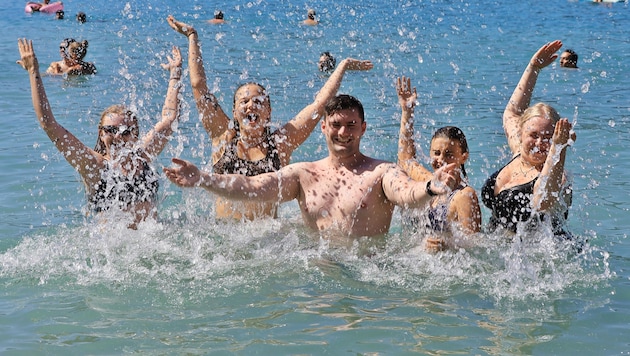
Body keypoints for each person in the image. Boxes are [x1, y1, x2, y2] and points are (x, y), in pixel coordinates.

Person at [164, 94, 458, 245]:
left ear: (363, 129)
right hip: (319, 272)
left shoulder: (382, 171)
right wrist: (203, 178)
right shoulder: (303, 174)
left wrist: (431, 186)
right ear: (324, 127)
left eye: (351, 125)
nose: (344, 132)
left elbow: (407, 193)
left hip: (370, 273)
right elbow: (253, 188)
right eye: (337, 125)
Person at [167, 15, 374, 221]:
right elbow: (198, 86)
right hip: (225, 237)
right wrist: (193, 36)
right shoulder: (223, 136)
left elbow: (318, 106)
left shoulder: (280, 144)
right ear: (234, 112)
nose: (251, 105)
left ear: (269, 112)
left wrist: (342, 67)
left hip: (267, 242)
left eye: (259, 102)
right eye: (244, 101)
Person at [17, 38, 183, 229]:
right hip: (112, 251)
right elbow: (48, 124)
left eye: (125, 131)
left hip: (152, 244)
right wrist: (33, 72)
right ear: (101, 133)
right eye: (111, 130)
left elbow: (169, 118)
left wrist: (175, 74)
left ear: (135, 134)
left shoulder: (143, 156)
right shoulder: (95, 166)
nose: (118, 136)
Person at [481, 40, 577, 238]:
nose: (539, 143)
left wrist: (559, 148)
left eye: (548, 138)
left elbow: (543, 201)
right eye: (533, 135)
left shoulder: (558, 175)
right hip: (498, 247)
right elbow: (512, 111)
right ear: (521, 133)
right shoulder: (519, 150)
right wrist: (533, 68)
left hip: (538, 259)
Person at [396, 76, 481, 252]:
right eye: (436, 153)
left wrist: (448, 245)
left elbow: (476, 246)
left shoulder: (464, 196)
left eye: (449, 154)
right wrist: (407, 112)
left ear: (463, 157)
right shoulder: (428, 181)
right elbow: (405, 160)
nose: (441, 160)